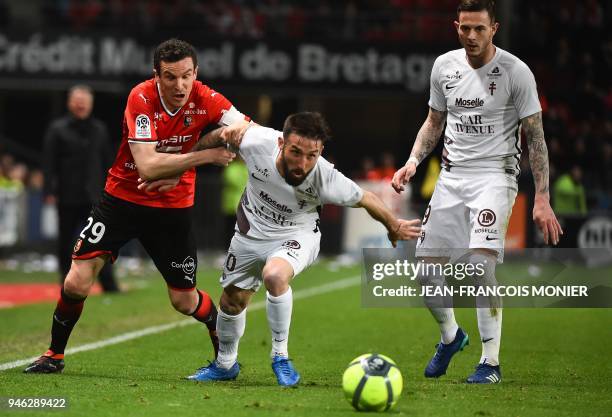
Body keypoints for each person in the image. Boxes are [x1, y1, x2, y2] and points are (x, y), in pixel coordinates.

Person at [24, 38, 251, 374]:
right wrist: (206, 155)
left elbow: (245, 127)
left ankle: (223, 351)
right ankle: (54, 355)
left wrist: (207, 150)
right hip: (122, 199)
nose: (180, 85)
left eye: (187, 75)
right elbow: (147, 167)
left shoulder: (207, 97)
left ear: (196, 73)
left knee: (184, 301)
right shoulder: (141, 97)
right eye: (171, 77)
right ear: (156, 76)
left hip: (172, 208)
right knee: (75, 282)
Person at [167, 112, 421, 386]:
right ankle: (225, 364)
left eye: (312, 155)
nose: (302, 163)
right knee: (231, 301)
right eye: (295, 152)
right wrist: (182, 162)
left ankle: (280, 357)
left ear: (321, 151)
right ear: (281, 143)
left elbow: (367, 198)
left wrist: (393, 226)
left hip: (297, 235)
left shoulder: (326, 177)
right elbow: (221, 135)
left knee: (274, 275)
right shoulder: (257, 142)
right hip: (250, 233)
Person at [391, 0, 563, 384]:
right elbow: (434, 121)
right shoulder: (444, 67)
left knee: (478, 266)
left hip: (495, 176)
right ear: (456, 26)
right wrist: (413, 161)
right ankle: (451, 337)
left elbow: (535, 137)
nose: (471, 36)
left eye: (479, 29)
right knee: (425, 272)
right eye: (465, 28)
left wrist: (541, 197)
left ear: (494, 29)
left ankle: (490, 362)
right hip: (451, 178)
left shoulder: (516, 73)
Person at [43, 85, 119, 293]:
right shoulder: (57, 129)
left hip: (94, 197)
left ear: (91, 104)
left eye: (84, 100)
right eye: (77, 100)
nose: (81, 104)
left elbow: (108, 162)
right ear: (69, 103)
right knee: (65, 242)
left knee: (101, 243)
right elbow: (49, 163)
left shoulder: (99, 129)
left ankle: (109, 285)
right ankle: (66, 283)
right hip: (67, 195)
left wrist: (112, 191)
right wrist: (48, 191)